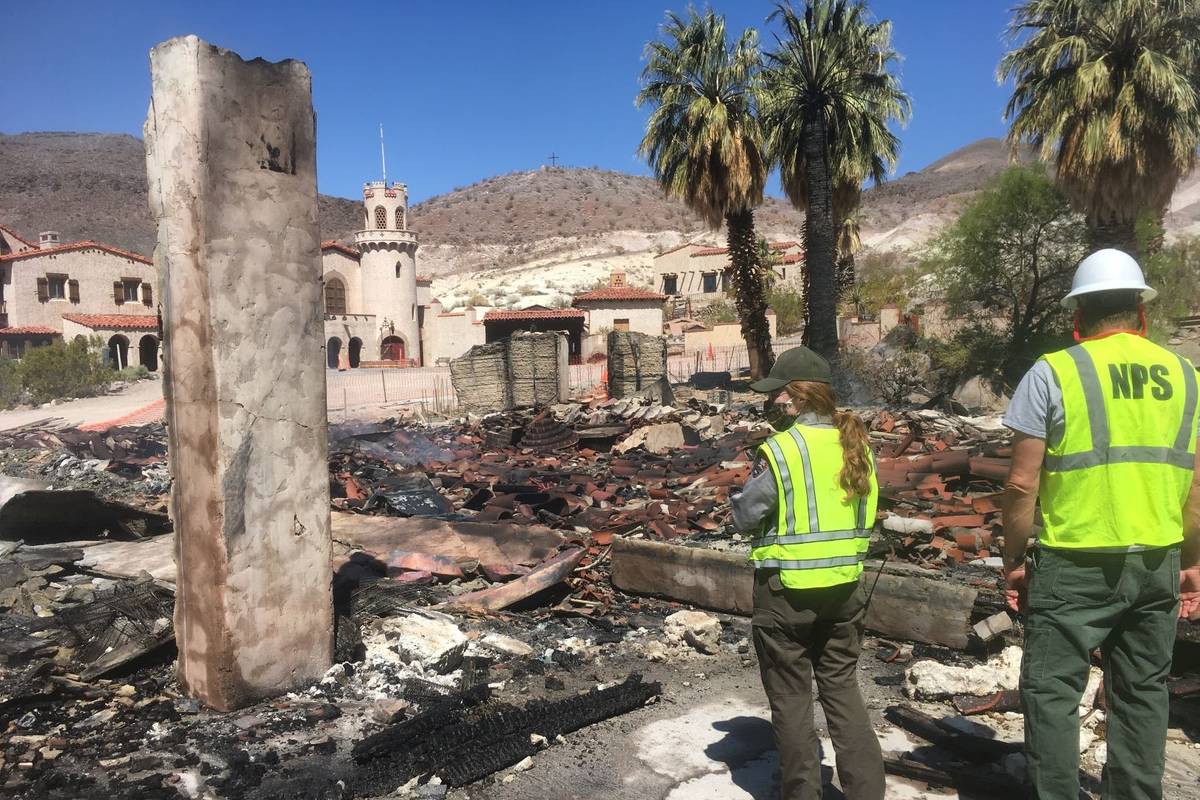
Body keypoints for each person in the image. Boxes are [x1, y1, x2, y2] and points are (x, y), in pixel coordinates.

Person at [1001, 248, 1200, 799]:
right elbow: (1197, 486)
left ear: (1078, 316)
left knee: (1052, 696)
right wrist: (1191, 562)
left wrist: (1014, 561)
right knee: (1142, 695)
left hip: (1073, 564)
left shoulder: (1054, 371)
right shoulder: (1188, 377)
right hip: (1157, 560)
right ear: (1141, 313)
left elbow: (1021, 483)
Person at [732, 346, 884, 800]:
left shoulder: (780, 451)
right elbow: (867, 515)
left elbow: (746, 515)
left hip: (787, 595)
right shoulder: (857, 446)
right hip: (846, 591)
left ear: (796, 399)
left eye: (778, 395)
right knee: (842, 690)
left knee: (792, 700)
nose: (773, 403)